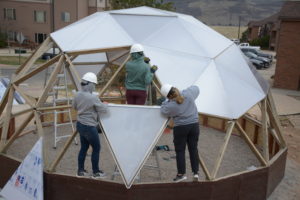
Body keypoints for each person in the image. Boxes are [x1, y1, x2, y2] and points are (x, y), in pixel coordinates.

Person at [160, 84, 200, 182]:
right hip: (194, 125)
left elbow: (163, 110)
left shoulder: (170, 105)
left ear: (168, 96)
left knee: (180, 151)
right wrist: (183, 90)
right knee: (193, 149)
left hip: (181, 128)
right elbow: (196, 88)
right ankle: (196, 173)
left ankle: (181, 174)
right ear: (175, 88)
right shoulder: (188, 93)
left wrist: (166, 100)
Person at [72, 72, 108, 179]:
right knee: (96, 148)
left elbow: (74, 107)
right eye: (94, 84)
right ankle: (96, 172)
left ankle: (80, 171)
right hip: (89, 127)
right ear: (90, 84)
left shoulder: (77, 95)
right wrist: (104, 104)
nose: (94, 86)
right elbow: (103, 109)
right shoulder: (93, 98)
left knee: (84, 147)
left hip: (80, 124)